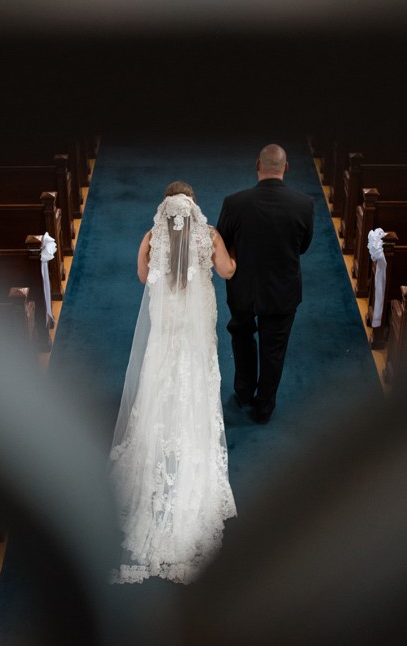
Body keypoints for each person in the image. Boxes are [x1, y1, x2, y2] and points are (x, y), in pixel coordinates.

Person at [109, 181, 238, 584]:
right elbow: (227, 271)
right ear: (194, 207)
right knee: (195, 384)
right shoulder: (209, 235)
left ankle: (155, 442)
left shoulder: (151, 237)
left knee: (159, 383)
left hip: (166, 332)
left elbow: (142, 276)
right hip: (195, 336)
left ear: (165, 208)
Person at [216, 144, 314, 424]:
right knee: (274, 350)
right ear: (287, 167)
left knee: (242, 337)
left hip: (243, 288)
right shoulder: (304, 204)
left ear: (257, 165)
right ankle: (264, 408)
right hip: (282, 290)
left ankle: (244, 393)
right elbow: (303, 247)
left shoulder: (234, 203)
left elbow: (221, 242)